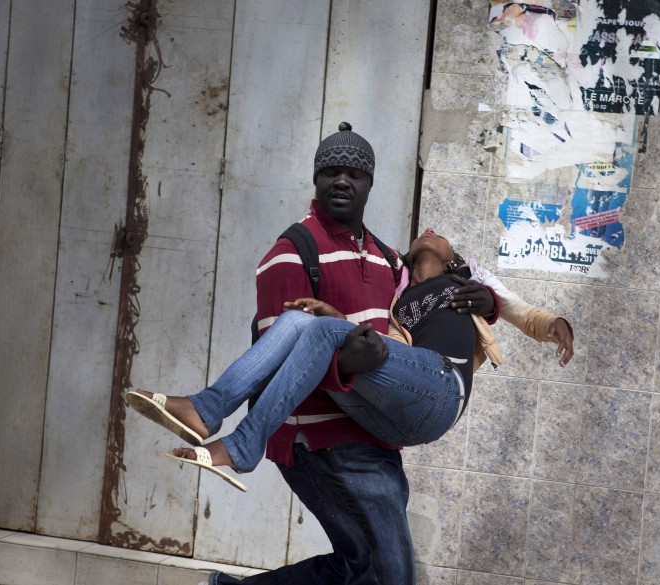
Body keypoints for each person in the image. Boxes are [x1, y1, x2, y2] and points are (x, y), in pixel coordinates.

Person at [154, 122, 497, 584]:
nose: (341, 181)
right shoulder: (293, 251)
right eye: (330, 171)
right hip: (319, 440)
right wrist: (345, 364)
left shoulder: (387, 258)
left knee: (360, 571)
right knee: (386, 578)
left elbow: (428, 307)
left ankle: (211, 415)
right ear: (315, 180)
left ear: (370, 184)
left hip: (373, 432)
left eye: (353, 174)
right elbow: (278, 355)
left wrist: (487, 302)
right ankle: (223, 424)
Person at [128, 228, 574, 485]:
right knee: (305, 321)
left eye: (439, 233)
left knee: (317, 327)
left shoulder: (469, 278)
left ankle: (242, 441)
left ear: (454, 256)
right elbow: (378, 350)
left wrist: (556, 325)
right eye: (422, 231)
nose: (430, 230)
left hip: (442, 387)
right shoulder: (396, 283)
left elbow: (520, 310)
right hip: (393, 416)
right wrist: (336, 317)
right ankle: (205, 409)